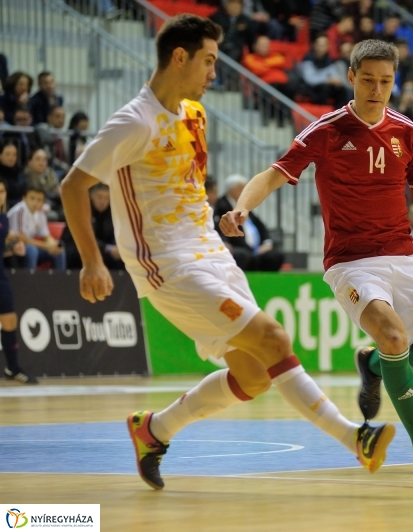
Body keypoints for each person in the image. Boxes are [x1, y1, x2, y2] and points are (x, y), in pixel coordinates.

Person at [60, 15, 395, 491]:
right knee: (275, 340)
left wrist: (221, 220)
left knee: (255, 375)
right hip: (167, 267)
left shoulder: (195, 114)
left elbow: (185, 190)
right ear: (181, 57)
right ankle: (354, 438)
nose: (215, 72)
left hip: (213, 255)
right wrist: (93, 260)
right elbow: (74, 185)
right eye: (209, 61)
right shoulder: (134, 121)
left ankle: (153, 431)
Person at [220, 39, 413, 476]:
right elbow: (273, 174)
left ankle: (371, 363)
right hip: (351, 262)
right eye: (368, 80)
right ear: (351, 77)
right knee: (394, 337)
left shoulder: (408, 132)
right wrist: (243, 207)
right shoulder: (325, 131)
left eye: (385, 81)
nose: (376, 89)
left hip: (404, 256)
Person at [0, 179, 38, 384]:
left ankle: (12, 368)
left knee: (10, 320)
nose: (0, 194)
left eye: (3, 191)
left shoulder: (4, 218)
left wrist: (12, 248)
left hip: (1, 275)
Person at [215, 174, 284, 271]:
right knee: (242, 255)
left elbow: (261, 227)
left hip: (256, 249)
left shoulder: (245, 207)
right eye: (241, 188)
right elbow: (219, 227)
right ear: (232, 190)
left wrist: (267, 243)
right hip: (238, 248)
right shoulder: (221, 206)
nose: (244, 191)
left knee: (274, 256)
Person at [7, 186, 66, 270]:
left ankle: (60, 281)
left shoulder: (41, 213)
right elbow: (22, 239)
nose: (35, 202)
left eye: (39, 200)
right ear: (24, 198)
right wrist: (46, 246)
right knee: (32, 251)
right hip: (13, 246)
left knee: (59, 251)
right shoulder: (19, 211)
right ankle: (29, 281)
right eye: (32, 198)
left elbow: (46, 236)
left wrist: (54, 245)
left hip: (29, 246)